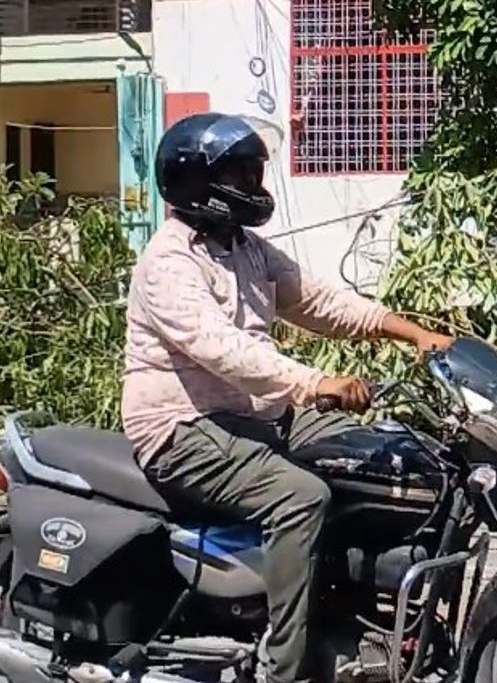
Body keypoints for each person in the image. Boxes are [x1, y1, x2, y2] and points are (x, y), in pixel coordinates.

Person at [122, 113, 452, 683]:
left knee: (393, 455)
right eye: (244, 175)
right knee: (301, 498)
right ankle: (286, 668)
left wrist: (413, 333)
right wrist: (316, 383)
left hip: (255, 416)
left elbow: (319, 302)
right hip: (181, 429)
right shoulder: (168, 262)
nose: (257, 185)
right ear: (202, 183)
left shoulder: (246, 248)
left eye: (256, 172)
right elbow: (224, 350)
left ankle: (364, 617)